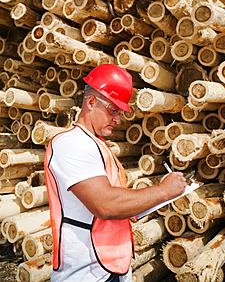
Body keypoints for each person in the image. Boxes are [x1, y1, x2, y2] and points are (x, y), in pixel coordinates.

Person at [44, 64, 187, 282]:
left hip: (110, 266)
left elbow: (115, 201)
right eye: (113, 110)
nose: (118, 120)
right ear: (91, 102)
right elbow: (106, 205)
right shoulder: (71, 143)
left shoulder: (96, 144)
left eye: (119, 112)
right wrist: (163, 191)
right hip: (85, 273)